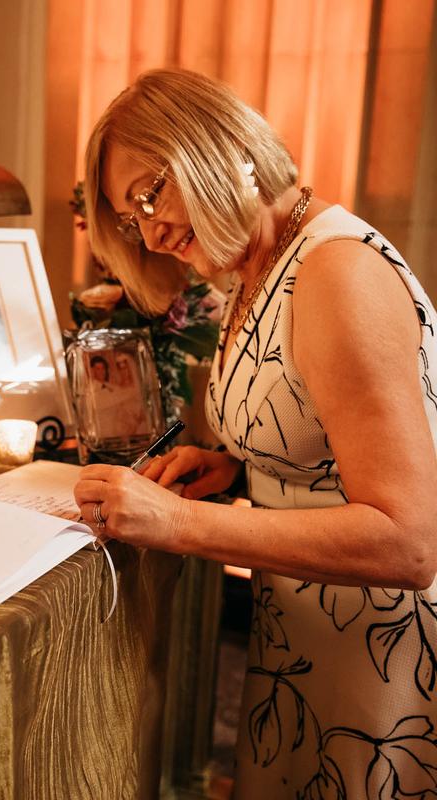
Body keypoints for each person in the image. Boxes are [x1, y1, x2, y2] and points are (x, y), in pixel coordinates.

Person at [73, 68, 437, 798]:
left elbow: (408, 541)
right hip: (305, 634)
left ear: (215, 146)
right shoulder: (257, 269)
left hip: (382, 656)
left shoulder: (336, 272)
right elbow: (321, 436)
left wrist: (179, 522)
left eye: (150, 194)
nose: (151, 231)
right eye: (132, 218)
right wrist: (236, 468)